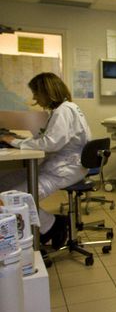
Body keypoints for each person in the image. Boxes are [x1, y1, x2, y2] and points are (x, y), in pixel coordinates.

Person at [0, 72, 92, 250]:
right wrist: (19, 141)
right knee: (4, 184)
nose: (34, 98)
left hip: (64, 169)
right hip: (59, 165)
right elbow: (47, 139)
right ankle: (46, 225)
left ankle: (53, 225)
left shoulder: (64, 111)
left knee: (14, 199)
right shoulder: (65, 109)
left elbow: (50, 144)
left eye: (36, 92)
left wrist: (15, 141)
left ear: (47, 91)